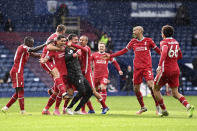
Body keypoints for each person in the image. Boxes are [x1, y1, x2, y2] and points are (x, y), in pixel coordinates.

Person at [103, 26, 161, 115]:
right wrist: (111, 55)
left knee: (151, 85)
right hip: (137, 68)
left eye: (135, 30)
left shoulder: (149, 41)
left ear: (141, 31)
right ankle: (143, 107)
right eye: (133, 30)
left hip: (147, 67)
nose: (133, 32)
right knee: (136, 89)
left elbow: (158, 51)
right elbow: (123, 51)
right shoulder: (133, 42)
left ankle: (158, 108)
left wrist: (166, 57)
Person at [153, 25, 194, 117]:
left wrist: (159, 65)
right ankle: (188, 106)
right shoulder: (176, 42)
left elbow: (164, 52)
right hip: (175, 69)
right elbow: (180, 56)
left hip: (165, 70)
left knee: (155, 89)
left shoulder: (163, 42)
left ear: (163, 34)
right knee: (175, 93)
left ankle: (164, 110)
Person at [1, 36, 46, 114]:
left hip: (17, 71)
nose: (32, 44)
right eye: (31, 43)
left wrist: (44, 55)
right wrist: (45, 44)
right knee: (20, 91)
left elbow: (34, 54)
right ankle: (22, 111)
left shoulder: (24, 48)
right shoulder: (24, 47)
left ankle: (5, 108)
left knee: (18, 92)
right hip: (17, 71)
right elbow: (33, 49)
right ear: (27, 42)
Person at [69, 35, 109, 114]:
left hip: (88, 74)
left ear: (86, 42)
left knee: (93, 92)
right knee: (82, 91)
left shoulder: (87, 48)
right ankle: (89, 109)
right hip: (81, 74)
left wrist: (71, 44)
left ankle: (105, 106)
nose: (81, 41)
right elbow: (74, 55)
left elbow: (83, 49)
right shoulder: (79, 50)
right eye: (80, 40)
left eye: (83, 40)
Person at [64, 34, 93, 115]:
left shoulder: (77, 48)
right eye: (75, 40)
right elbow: (64, 58)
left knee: (90, 92)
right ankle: (68, 108)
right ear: (69, 41)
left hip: (79, 73)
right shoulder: (67, 49)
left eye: (78, 39)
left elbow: (85, 50)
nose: (77, 41)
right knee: (82, 91)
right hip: (73, 73)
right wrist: (73, 55)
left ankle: (76, 110)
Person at [92, 42, 123, 114]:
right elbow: (88, 62)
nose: (101, 48)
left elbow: (115, 62)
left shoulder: (108, 55)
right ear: (98, 47)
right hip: (95, 76)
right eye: (100, 46)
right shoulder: (94, 55)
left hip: (104, 75)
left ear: (105, 48)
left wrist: (119, 70)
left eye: (102, 46)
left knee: (103, 88)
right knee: (94, 91)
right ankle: (103, 103)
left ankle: (103, 106)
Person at [40, 35, 68, 115]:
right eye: (61, 41)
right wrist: (44, 59)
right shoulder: (53, 50)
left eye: (64, 41)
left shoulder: (65, 48)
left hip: (64, 72)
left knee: (56, 92)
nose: (63, 42)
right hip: (58, 74)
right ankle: (56, 109)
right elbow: (47, 57)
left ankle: (45, 110)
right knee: (58, 92)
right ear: (57, 41)